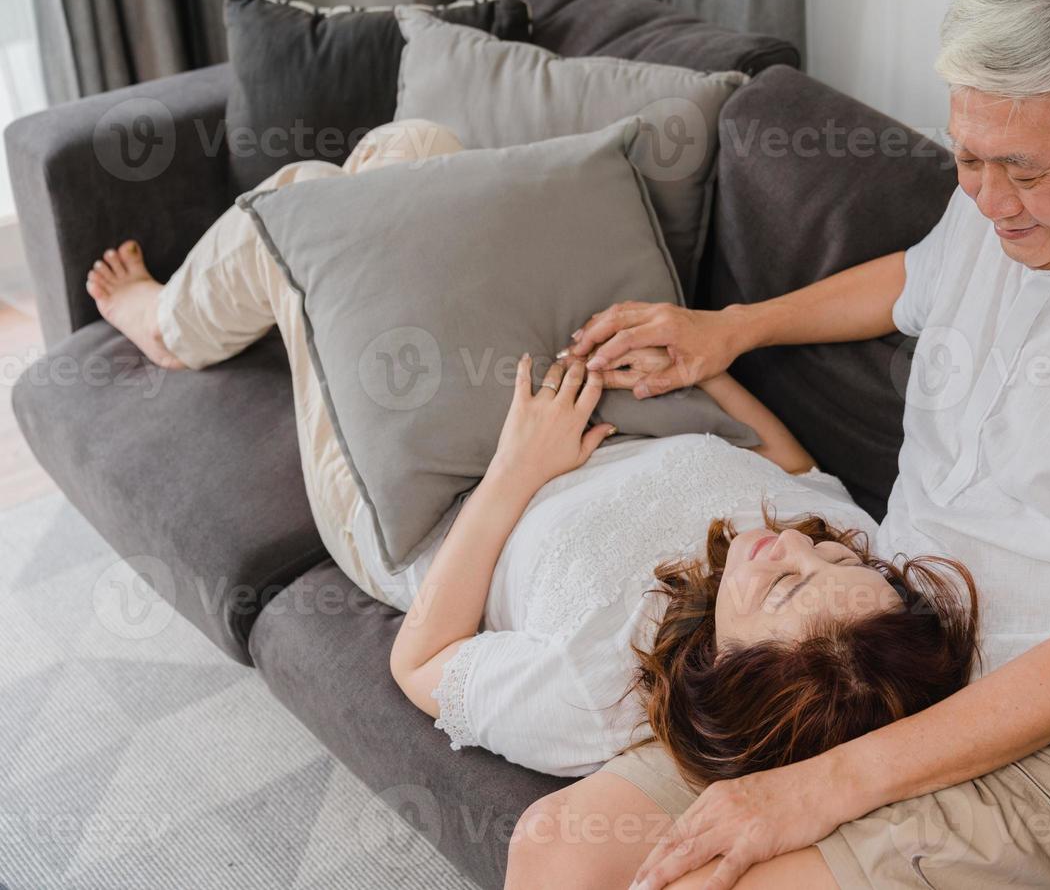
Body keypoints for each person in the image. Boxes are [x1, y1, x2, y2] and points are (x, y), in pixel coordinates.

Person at [520, 0, 1050, 890]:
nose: (982, 195)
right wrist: (730, 330)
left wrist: (814, 791)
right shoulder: (998, 213)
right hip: (883, 655)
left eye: (1017, 169)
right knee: (559, 849)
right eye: (966, 156)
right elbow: (912, 282)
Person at [83, 118, 981, 778]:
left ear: (738, 672)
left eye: (783, 582)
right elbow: (793, 468)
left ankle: (167, 326)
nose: (792, 544)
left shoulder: (595, 699)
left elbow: (419, 663)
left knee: (301, 200)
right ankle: (303, 232)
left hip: (444, 496)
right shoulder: (850, 582)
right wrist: (698, 366)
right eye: (829, 554)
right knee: (414, 150)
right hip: (586, 408)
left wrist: (517, 472)